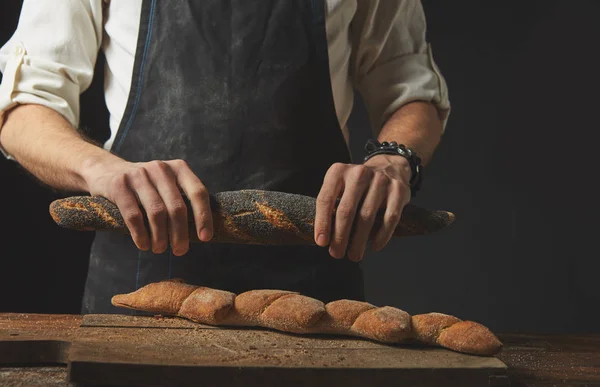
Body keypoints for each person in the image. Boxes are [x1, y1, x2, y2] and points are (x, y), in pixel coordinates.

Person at [0, 1, 450, 313]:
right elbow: (22, 110)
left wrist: (393, 161)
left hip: (313, 298)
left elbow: (411, 87)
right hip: (142, 285)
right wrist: (98, 166)